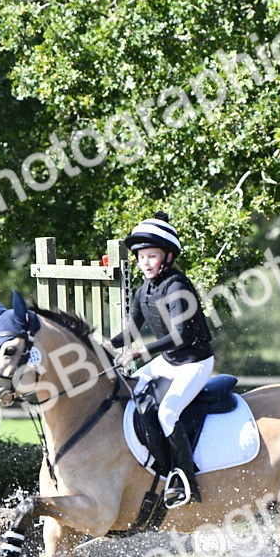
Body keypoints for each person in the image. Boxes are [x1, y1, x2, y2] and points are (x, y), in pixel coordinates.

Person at [110, 212, 214, 507]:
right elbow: (131, 329)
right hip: (168, 360)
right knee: (130, 392)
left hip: (194, 362)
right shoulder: (145, 289)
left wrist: (143, 351)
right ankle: (145, 462)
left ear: (167, 257)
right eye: (141, 257)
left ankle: (184, 478)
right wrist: (107, 343)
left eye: (151, 256)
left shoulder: (177, 287)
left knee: (167, 412)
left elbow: (181, 335)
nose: (145, 262)